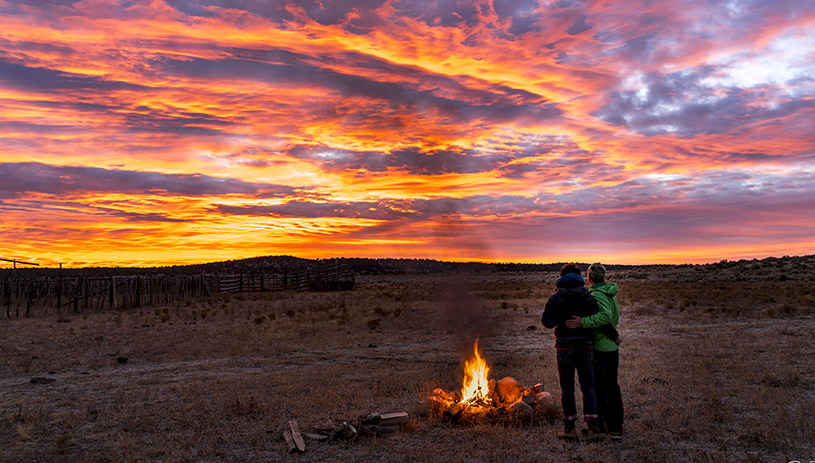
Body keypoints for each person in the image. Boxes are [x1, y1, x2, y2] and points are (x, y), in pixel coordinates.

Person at [541, 263, 604, 441]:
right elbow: (597, 317)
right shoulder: (588, 296)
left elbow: (546, 322)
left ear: (561, 277)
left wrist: (562, 316)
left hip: (564, 347)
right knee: (588, 387)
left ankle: (569, 430)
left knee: (567, 388)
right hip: (585, 347)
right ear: (579, 277)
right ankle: (592, 429)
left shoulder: (555, 297)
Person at [566, 262, 624, 440]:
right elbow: (611, 317)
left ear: (589, 278)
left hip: (600, 348)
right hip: (611, 348)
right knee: (612, 387)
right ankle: (615, 427)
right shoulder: (609, 292)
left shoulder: (598, 294)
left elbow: (604, 316)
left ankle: (606, 427)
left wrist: (582, 322)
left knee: (601, 389)